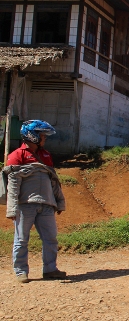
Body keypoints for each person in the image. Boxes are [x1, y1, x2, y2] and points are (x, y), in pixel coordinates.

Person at [5, 120, 66, 283]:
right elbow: (12, 184)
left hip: (46, 204)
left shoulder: (45, 155)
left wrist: (58, 201)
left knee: (51, 238)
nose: (44, 138)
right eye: (42, 135)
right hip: (25, 205)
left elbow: (53, 179)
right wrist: (12, 208)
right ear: (32, 136)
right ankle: (21, 271)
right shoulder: (17, 155)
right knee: (21, 238)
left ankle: (50, 269)